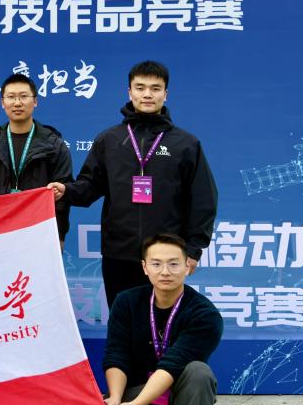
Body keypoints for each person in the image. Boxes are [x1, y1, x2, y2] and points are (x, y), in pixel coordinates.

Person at [49, 60, 217, 309]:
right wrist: (67, 191)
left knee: (162, 323)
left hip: (166, 257)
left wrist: (192, 250)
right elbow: (89, 186)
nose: (147, 94)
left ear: (166, 94)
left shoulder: (185, 144)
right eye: (140, 88)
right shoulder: (109, 140)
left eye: (155, 88)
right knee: (122, 320)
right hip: (119, 253)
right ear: (129, 92)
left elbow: (203, 199)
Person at [84, 233, 222, 405]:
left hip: (180, 391)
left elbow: (172, 364)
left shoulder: (205, 314)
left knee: (199, 373)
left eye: (173, 263)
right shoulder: (127, 301)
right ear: (144, 267)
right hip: (139, 387)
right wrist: (116, 398)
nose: (165, 271)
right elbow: (116, 354)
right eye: (156, 264)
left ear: (188, 266)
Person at [0, 72, 72, 239]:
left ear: (35, 101)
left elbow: (62, 198)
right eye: (11, 97)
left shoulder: (54, 145)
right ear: (2, 102)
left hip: (38, 232)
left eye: (24, 96)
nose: (17, 103)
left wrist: (58, 236)